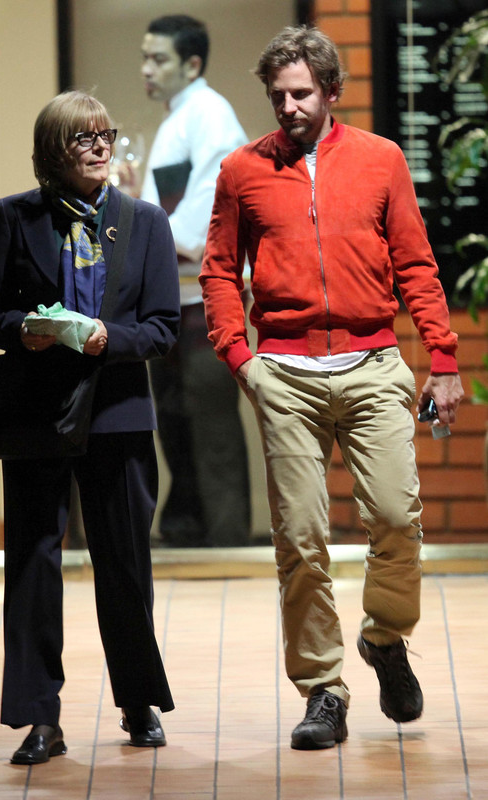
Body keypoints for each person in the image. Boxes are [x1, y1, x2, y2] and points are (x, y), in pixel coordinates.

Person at [200, 26, 464, 750]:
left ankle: (384, 638)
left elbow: (416, 264)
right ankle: (324, 688)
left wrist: (442, 359)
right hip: (283, 372)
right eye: (277, 95)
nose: (287, 107)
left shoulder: (380, 160)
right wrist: (241, 358)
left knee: (394, 515)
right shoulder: (242, 170)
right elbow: (219, 271)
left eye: (300, 93)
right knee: (302, 537)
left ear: (331, 91)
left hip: (374, 362)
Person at [0, 90, 180, 764]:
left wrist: (104, 340)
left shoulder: (143, 221)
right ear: (51, 154)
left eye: (105, 136)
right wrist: (27, 333)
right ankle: (40, 718)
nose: (99, 149)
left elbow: (161, 329)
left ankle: (138, 701)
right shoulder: (14, 216)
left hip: (118, 411)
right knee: (33, 560)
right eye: (82, 140)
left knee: (123, 562)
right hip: (37, 410)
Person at [140, 14, 251, 547]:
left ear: (192, 63)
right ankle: (188, 528)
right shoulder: (178, 118)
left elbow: (209, 203)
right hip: (174, 294)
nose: (147, 69)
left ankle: (226, 539)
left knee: (210, 422)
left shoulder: (209, 113)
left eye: (158, 58)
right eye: (144, 57)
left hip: (202, 295)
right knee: (177, 418)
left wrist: (149, 240)